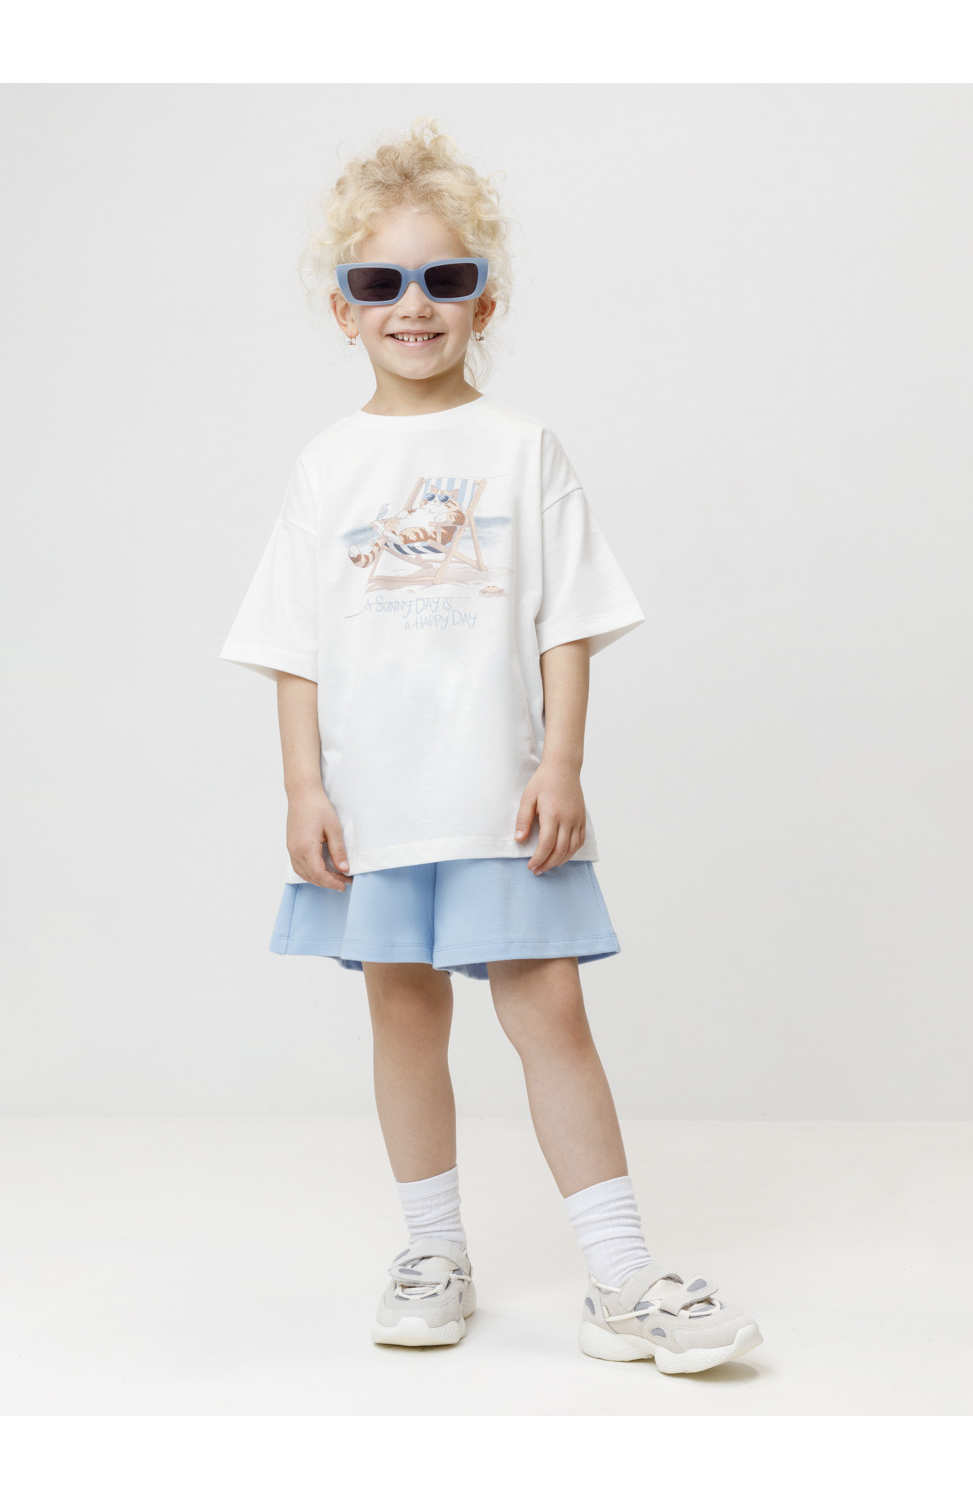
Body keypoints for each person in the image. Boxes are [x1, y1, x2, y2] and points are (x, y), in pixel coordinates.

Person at [219, 116, 762, 1375]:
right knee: (403, 1014)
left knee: (550, 1008)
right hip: (376, 805)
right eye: (379, 281)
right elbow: (294, 645)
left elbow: (567, 621)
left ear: (484, 300)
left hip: (499, 797)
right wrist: (302, 787)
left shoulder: (522, 450)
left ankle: (621, 1280)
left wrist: (560, 765)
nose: (413, 304)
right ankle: (432, 1255)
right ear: (344, 310)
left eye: (444, 277)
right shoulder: (326, 466)